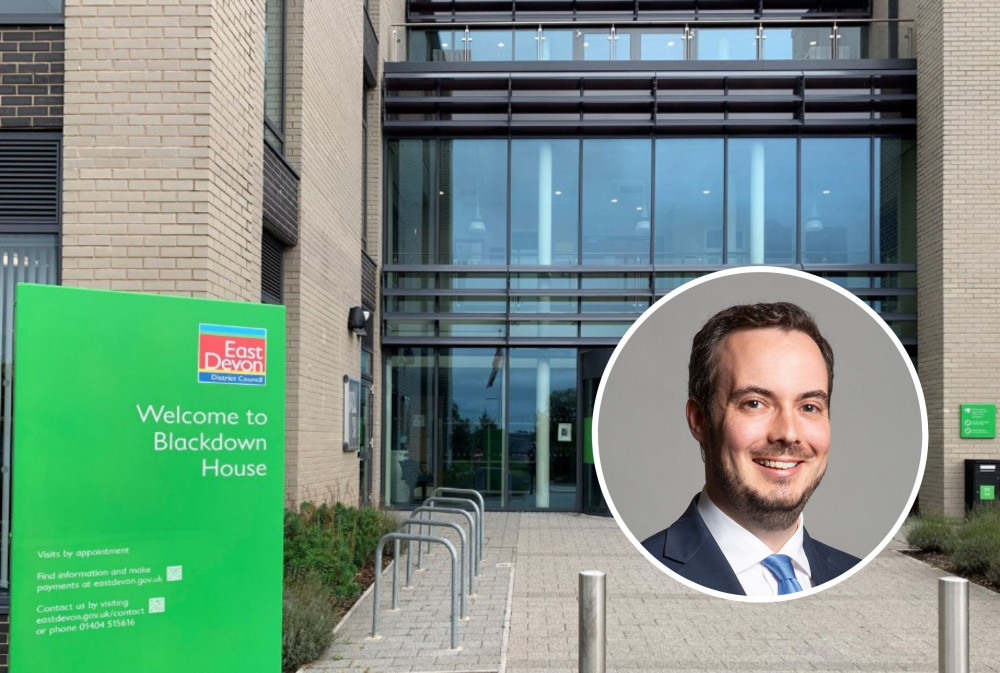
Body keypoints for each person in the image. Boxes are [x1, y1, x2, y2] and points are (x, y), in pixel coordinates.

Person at [641, 302, 859, 597]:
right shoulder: (641, 572)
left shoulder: (853, 574)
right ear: (699, 420)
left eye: (809, 407)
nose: (788, 433)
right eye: (754, 403)